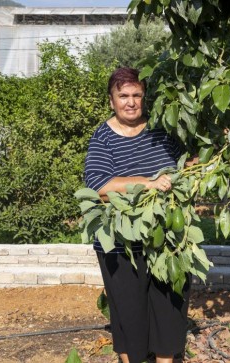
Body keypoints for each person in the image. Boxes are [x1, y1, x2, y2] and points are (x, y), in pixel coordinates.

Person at [84, 67, 189, 363]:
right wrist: (148, 183)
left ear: (144, 98)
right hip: (121, 245)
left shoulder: (161, 130)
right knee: (129, 317)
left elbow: (183, 167)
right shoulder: (103, 137)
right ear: (111, 100)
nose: (130, 102)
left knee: (170, 309)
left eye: (136, 95)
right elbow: (99, 186)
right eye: (123, 96)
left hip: (167, 241)